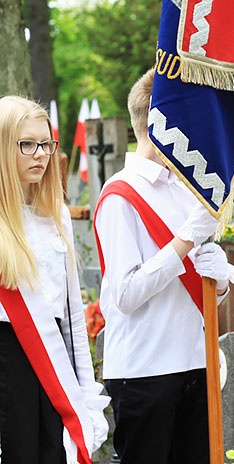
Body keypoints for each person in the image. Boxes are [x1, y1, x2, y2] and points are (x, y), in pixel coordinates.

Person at [94, 68, 234, 464]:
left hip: (196, 361)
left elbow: (192, 295)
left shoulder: (188, 189)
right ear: (163, 120)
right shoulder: (120, 195)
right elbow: (125, 295)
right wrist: (185, 241)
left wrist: (219, 279)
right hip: (145, 370)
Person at [0, 95, 109, 462]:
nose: (40, 155)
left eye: (46, 144)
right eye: (26, 144)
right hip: (6, 368)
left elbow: (74, 316)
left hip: (54, 368)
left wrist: (87, 393)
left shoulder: (56, 215)